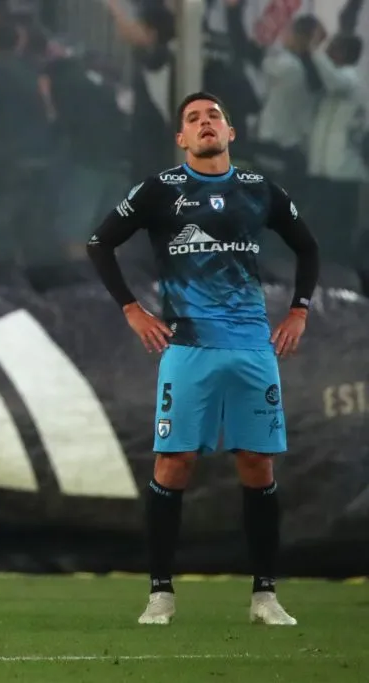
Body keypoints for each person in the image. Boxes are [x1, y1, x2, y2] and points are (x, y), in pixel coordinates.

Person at [86, 92, 320, 626]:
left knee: (257, 464)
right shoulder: (160, 190)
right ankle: (160, 595)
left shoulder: (260, 190)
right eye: (193, 119)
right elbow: (99, 243)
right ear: (181, 139)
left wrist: (299, 311)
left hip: (253, 347)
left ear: (230, 132)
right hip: (187, 347)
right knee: (175, 463)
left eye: (213, 115)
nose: (204, 123)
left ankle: (265, 597)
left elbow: (307, 247)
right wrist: (132, 310)